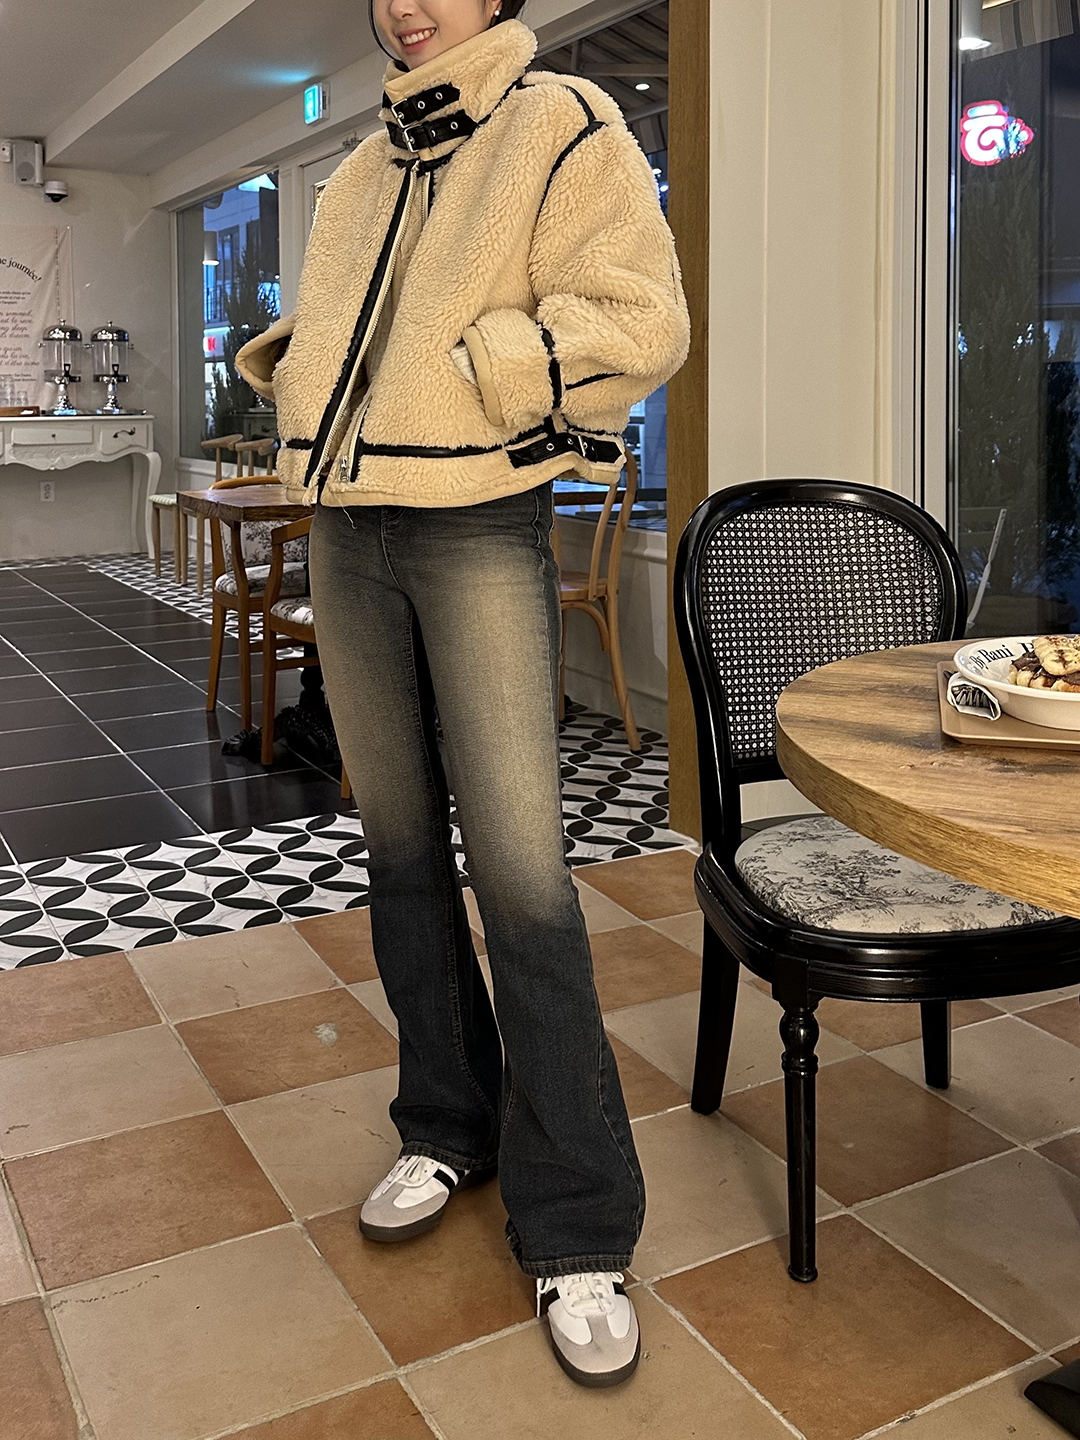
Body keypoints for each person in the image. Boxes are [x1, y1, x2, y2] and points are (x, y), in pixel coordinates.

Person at [236, 0, 689, 1388]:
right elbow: (368, 318)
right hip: (347, 522)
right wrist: (304, 368)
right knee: (397, 851)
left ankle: (580, 1223)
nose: (406, 6)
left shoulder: (561, 120)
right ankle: (445, 1122)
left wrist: (484, 370)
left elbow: (643, 320)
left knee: (523, 874)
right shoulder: (363, 165)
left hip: (479, 520)